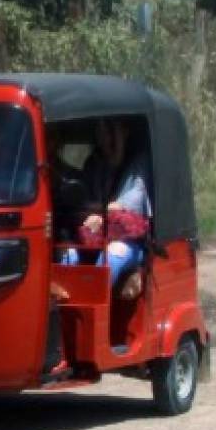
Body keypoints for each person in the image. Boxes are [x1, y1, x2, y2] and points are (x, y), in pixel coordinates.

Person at [73, 118, 152, 296]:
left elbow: (129, 204)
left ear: (124, 132)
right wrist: (91, 214)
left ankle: (93, 316)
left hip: (131, 240)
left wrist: (100, 214)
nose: (105, 138)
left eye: (111, 130)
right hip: (95, 235)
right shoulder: (94, 163)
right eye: (101, 131)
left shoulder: (138, 163)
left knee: (109, 258)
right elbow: (83, 201)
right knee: (68, 255)